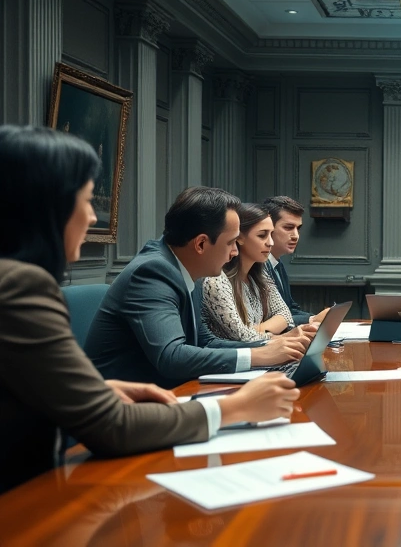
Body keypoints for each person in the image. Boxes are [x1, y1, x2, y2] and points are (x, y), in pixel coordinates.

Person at [0, 125, 299, 494]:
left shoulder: (184, 269)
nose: (93, 218)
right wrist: (234, 408)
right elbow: (114, 422)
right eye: (88, 200)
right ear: (51, 206)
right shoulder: (23, 286)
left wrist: (101, 390)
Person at [86, 187, 314, 389]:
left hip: (169, 395)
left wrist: (273, 345)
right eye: (231, 242)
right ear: (201, 244)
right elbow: (171, 356)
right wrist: (258, 355)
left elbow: (206, 342)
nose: (235, 252)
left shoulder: (187, 269)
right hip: (120, 411)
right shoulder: (152, 272)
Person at [203, 203, 295, 342]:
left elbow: (285, 315)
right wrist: (282, 337)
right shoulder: (216, 279)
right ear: (239, 237)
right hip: (234, 360)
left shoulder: (259, 273)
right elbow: (241, 336)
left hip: (261, 353)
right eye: (262, 235)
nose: (270, 242)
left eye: (271, 234)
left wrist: (255, 331)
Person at [262, 196, 329, 325]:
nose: (296, 236)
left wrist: (315, 318)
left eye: (298, 228)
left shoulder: (277, 264)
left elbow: (290, 308)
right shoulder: (258, 266)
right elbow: (269, 318)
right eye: (288, 228)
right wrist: (312, 320)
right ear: (268, 227)